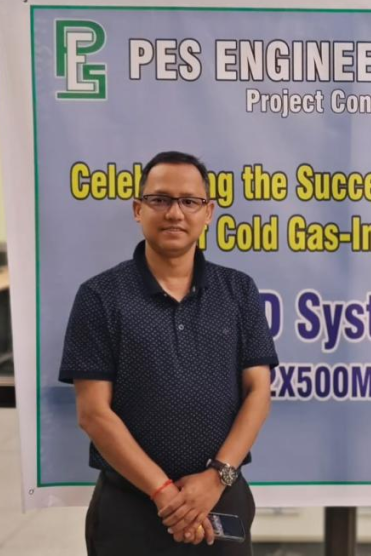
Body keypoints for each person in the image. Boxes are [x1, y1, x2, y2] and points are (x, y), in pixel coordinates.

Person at [59, 151, 278, 555]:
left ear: (208, 212)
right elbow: (93, 413)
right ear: (138, 210)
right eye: (160, 200)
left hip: (220, 498)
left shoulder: (238, 291)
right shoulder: (99, 296)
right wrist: (165, 494)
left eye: (189, 201)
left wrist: (215, 479)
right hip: (130, 507)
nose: (175, 213)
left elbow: (258, 393)